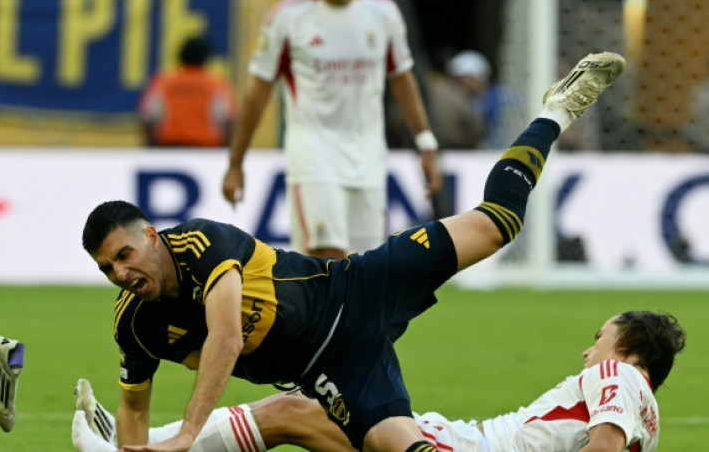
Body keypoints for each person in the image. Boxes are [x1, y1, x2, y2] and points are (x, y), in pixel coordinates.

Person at [80, 52, 626, 452]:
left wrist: (186, 435)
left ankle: (556, 110)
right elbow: (134, 408)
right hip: (332, 367)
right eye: (107, 268)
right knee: (400, 447)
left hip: (356, 288)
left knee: (496, 226)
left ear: (152, 234)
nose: (120, 272)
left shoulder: (201, 243)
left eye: (124, 254)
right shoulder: (135, 326)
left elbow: (226, 336)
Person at [71, 310, 686, 452]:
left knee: (295, 410)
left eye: (600, 338)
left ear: (629, 352)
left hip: (464, 449)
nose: (589, 350)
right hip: (458, 440)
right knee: (298, 413)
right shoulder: (648, 421)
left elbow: (602, 447)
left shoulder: (618, 377)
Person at [221, 0, 442, 259]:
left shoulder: (384, 13)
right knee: (327, 257)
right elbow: (257, 94)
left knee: (366, 265)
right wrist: (236, 163)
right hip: (313, 156)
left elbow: (403, 80)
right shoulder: (288, 16)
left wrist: (425, 143)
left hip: (369, 157)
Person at [138, 36, 237, 147]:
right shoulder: (216, 83)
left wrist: (151, 147)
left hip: (169, 147)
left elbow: (148, 118)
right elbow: (227, 120)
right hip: (206, 148)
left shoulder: (163, 81)